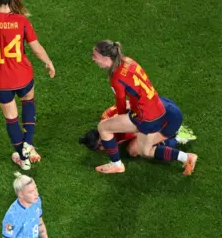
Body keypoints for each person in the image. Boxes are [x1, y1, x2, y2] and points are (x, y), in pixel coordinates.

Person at [0, 0, 55, 170]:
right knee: (28, 101)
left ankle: (22, 158)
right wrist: (48, 62)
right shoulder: (22, 21)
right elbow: (36, 48)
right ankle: (29, 144)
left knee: (11, 118)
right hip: (23, 76)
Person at [91, 40, 198, 175]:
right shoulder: (127, 61)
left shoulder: (116, 78)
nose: (94, 59)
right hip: (157, 107)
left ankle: (116, 165)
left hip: (146, 116)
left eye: (95, 56)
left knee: (104, 127)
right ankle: (187, 157)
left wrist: (122, 122)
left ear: (106, 58)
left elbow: (121, 104)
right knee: (144, 151)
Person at [79, 101, 197, 155]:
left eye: (101, 144)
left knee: (137, 150)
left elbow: (127, 104)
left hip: (153, 116)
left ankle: (180, 136)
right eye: (100, 148)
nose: (104, 148)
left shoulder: (110, 122)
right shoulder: (109, 132)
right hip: (148, 119)